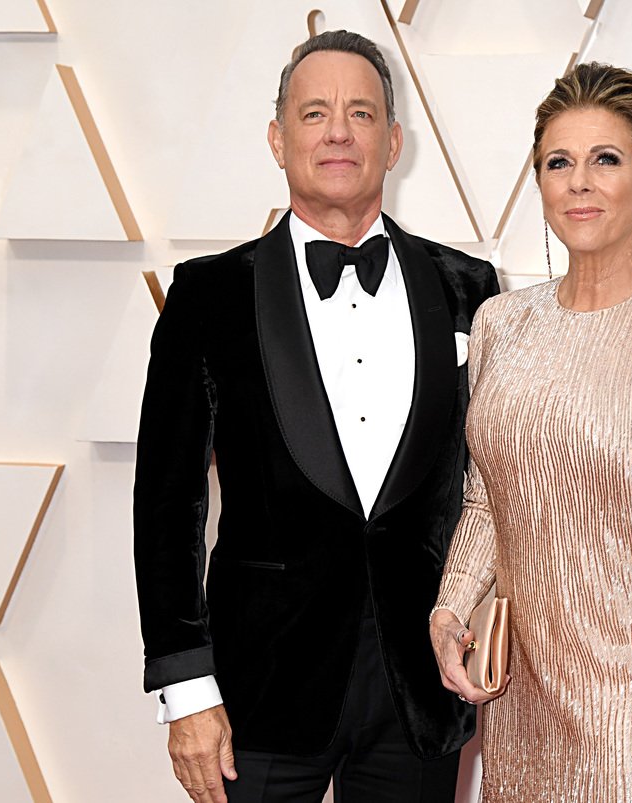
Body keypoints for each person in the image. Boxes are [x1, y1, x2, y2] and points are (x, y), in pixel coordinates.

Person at [134, 30, 498, 803]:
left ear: (393, 141)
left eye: (362, 113)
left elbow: (492, 486)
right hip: (258, 695)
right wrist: (186, 691)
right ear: (277, 138)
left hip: (421, 687)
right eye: (315, 113)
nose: (339, 130)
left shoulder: (469, 286)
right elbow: (166, 503)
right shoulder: (208, 295)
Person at [430, 62, 632, 803]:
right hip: (521, 697)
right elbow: (488, 498)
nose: (579, 181)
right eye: (559, 162)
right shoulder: (500, 324)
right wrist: (450, 606)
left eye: (605, 159)